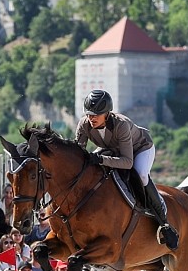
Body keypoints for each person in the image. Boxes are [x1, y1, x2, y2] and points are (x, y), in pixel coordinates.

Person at [75, 89, 179, 250]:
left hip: (140, 149)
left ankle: (163, 221)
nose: (91, 118)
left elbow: (127, 162)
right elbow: (78, 152)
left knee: (141, 175)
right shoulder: (84, 124)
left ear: (107, 113)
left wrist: (101, 159)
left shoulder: (121, 125)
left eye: (96, 114)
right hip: (113, 150)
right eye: (89, 114)